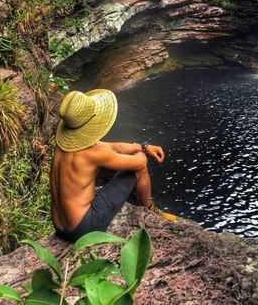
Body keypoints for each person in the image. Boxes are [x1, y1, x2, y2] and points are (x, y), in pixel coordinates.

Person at [50, 89, 176, 242]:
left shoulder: (64, 146)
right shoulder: (91, 154)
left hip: (59, 227)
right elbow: (140, 162)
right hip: (84, 230)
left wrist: (144, 147)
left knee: (137, 156)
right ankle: (151, 210)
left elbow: (114, 147)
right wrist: (142, 154)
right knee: (139, 168)